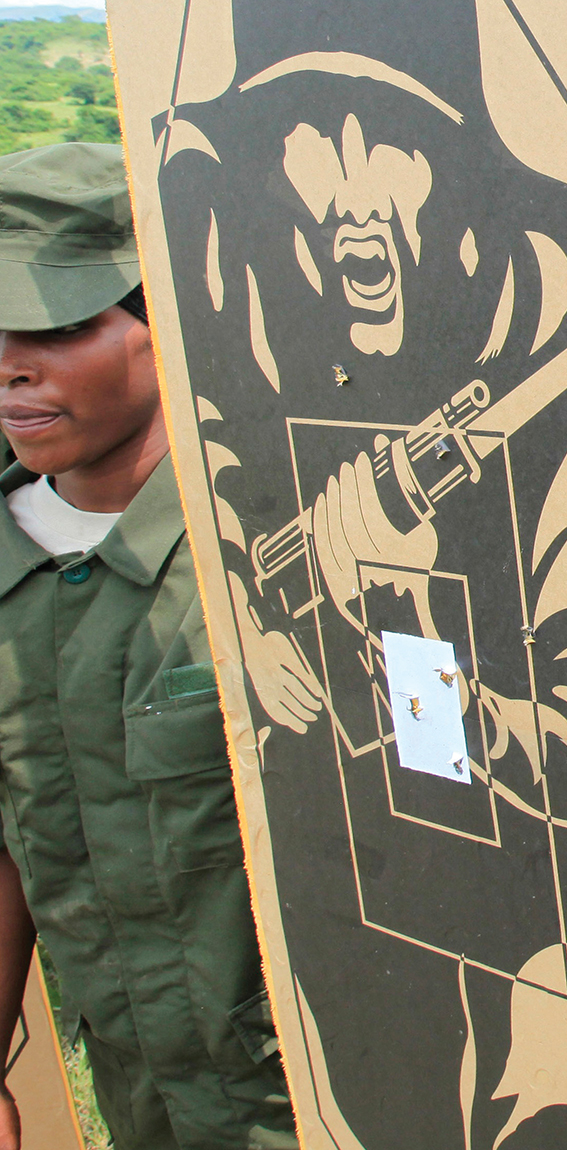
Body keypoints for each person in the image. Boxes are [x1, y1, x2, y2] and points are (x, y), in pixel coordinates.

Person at [0, 143, 297, 1150]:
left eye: (58, 324)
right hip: (145, 1104)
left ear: (163, 318)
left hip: (312, 1095)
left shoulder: (272, 537)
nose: (13, 362)